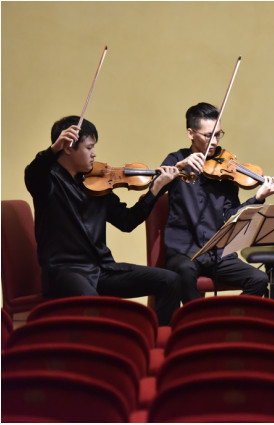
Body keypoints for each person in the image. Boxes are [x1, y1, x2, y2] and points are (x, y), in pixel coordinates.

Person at [25, 115, 182, 325]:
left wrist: (155, 189)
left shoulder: (96, 183)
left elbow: (127, 221)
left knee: (170, 280)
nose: (94, 153)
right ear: (68, 147)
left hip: (102, 269)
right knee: (94, 306)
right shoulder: (48, 182)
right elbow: (33, 173)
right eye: (89, 148)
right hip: (64, 271)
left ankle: (161, 344)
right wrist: (53, 150)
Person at [159, 102, 274, 304]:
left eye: (218, 134)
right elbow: (154, 190)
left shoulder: (226, 169)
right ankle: (197, 325)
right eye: (208, 135)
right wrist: (177, 169)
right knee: (183, 271)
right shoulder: (176, 160)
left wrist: (258, 198)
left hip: (216, 253)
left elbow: (230, 217)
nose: (214, 141)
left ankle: (224, 320)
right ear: (191, 133)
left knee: (259, 279)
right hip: (184, 251)